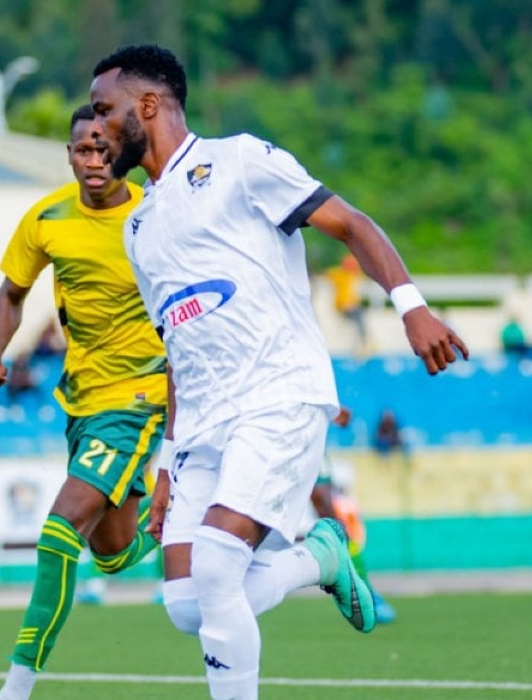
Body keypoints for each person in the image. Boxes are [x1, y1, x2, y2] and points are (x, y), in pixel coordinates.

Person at [90, 44, 468, 699]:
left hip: (277, 396)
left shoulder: (238, 160)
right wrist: (166, 463)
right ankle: (320, 556)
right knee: (186, 602)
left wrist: (412, 307)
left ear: (147, 105)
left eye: (104, 109)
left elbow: (350, 224)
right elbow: (177, 350)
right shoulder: (139, 227)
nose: (94, 128)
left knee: (214, 569)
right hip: (204, 426)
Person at [0, 105, 169, 700]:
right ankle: (185, 514)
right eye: (84, 149)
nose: (94, 159)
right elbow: (12, 293)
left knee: (60, 530)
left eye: (105, 148)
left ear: (125, 153)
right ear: (69, 155)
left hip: (143, 396)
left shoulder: (157, 215)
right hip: (82, 401)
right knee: (111, 554)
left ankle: (16, 686)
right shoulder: (47, 217)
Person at [310, 407, 396, 625]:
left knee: (333, 523)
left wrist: (327, 405)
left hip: (303, 436)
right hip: (260, 432)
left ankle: (363, 590)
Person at [325, 254, 369, 353]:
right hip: (343, 308)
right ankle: (363, 342)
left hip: (351, 307)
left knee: (360, 316)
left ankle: (364, 342)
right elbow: (326, 275)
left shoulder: (353, 277)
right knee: (360, 318)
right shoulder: (339, 275)